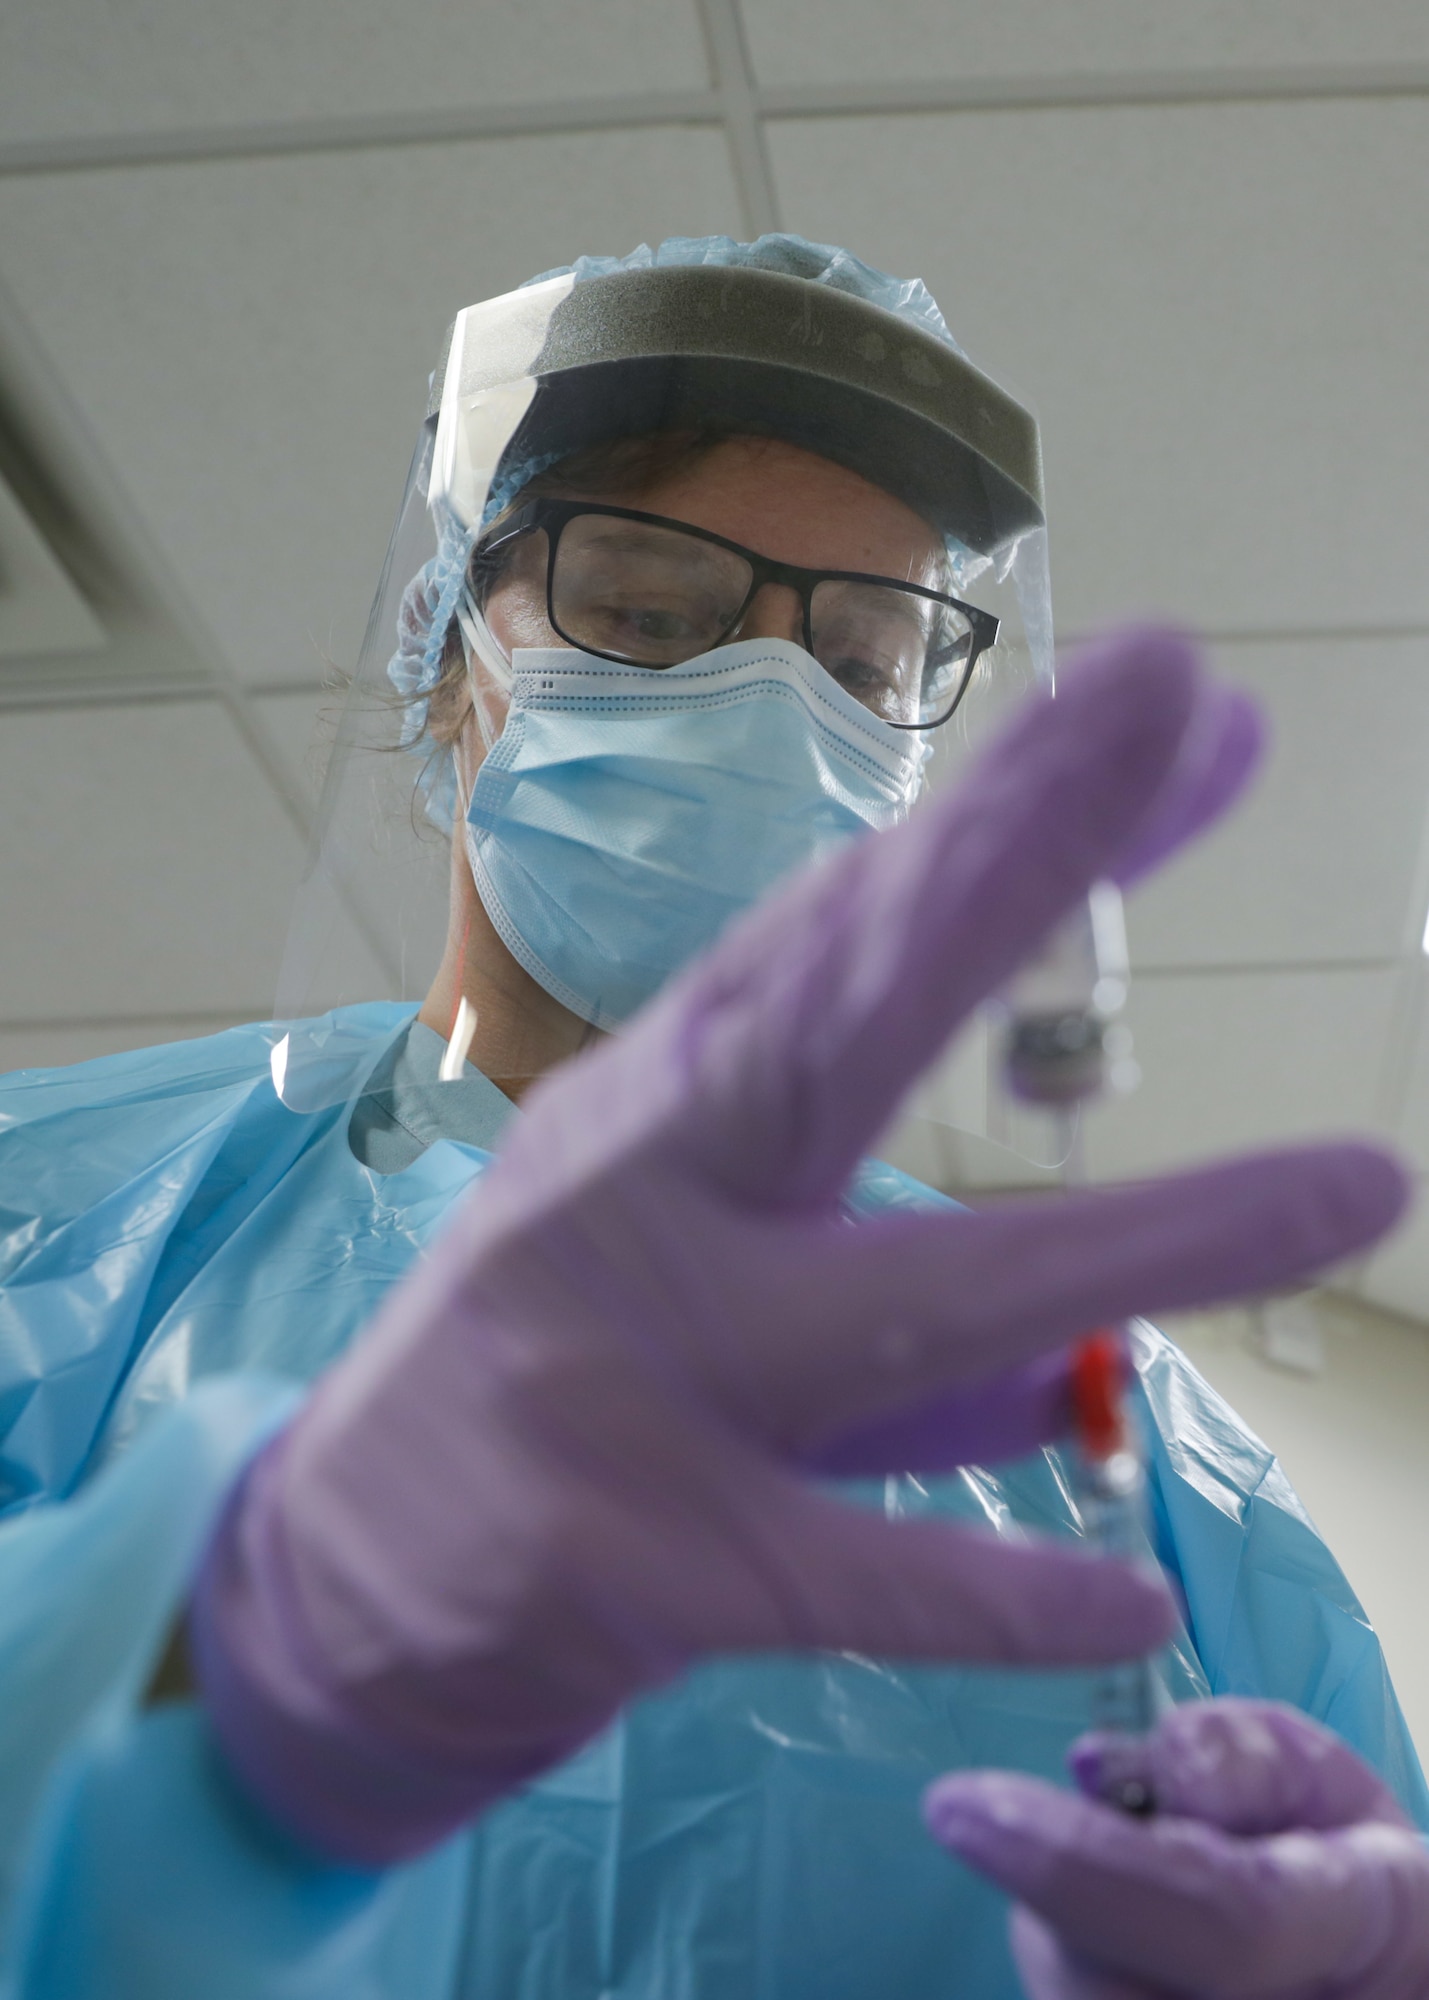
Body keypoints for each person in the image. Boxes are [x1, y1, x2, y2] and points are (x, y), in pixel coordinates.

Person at [0, 234, 1422, 2000]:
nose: (766, 702)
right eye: (652, 612)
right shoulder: (64, 1230)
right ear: (449, 655)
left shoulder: (1102, 1419)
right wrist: (240, 1687)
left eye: (860, 654)